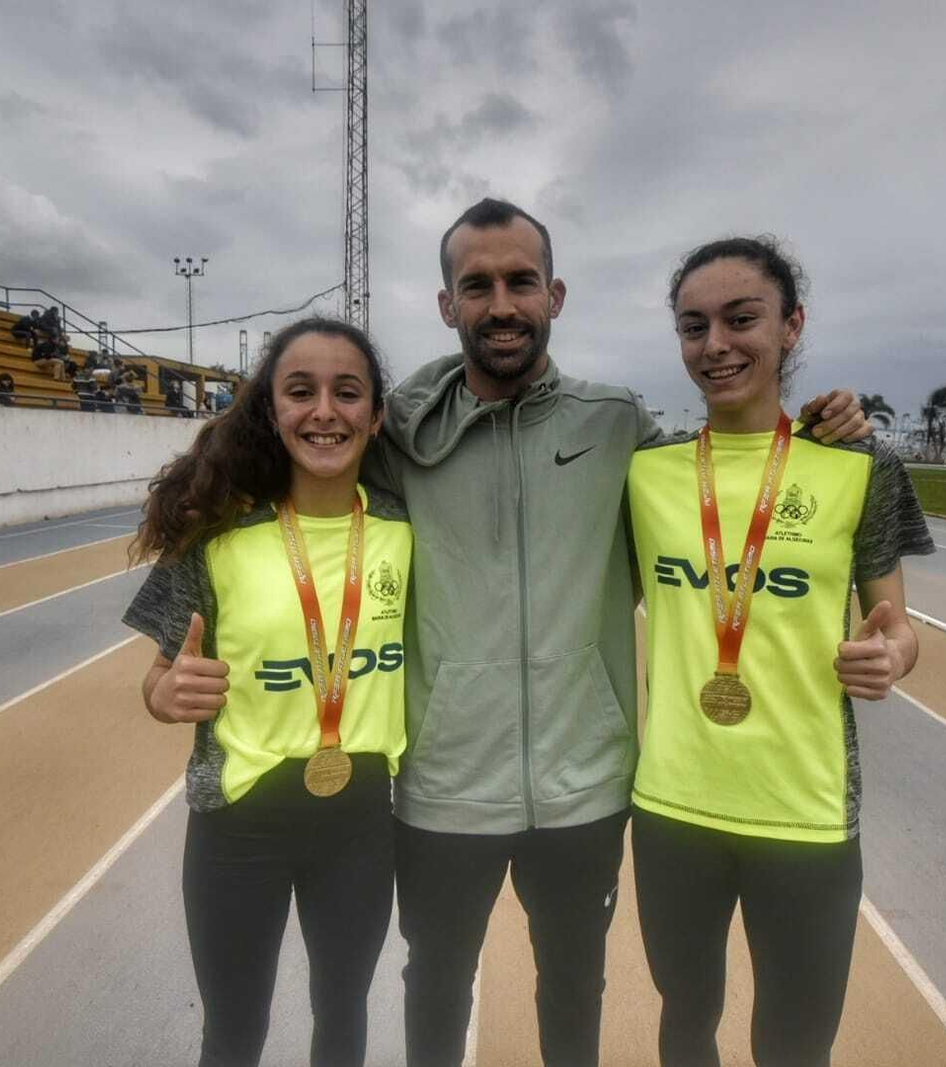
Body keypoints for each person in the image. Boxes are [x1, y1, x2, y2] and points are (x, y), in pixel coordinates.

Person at [360, 198, 871, 1067]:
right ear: (447, 306)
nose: (501, 304)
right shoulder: (402, 435)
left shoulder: (617, 426)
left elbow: (733, 461)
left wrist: (828, 429)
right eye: (476, 286)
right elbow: (306, 456)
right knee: (436, 981)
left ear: (555, 294)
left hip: (586, 784)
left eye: (522, 281)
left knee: (574, 984)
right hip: (446, 782)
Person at [626, 236, 933, 1067]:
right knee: (686, 1023)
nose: (715, 345)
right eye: (694, 326)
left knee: (795, 1045)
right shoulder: (644, 474)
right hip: (673, 807)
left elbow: (898, 624)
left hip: (806, 809)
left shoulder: (858, 466)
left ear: (791, 325)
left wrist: (891, 656)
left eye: (741, 318)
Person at [123, 317, 410, 1067]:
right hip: (237, 825)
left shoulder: (408, 532)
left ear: (375, 415)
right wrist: (166, 693)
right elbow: (159, 677)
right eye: (300, 391)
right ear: (272, 410)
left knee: (343, 1016)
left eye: (347, 392)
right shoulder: (218, 539)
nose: (325, 410)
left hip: (360, 821)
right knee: (234, 1032)